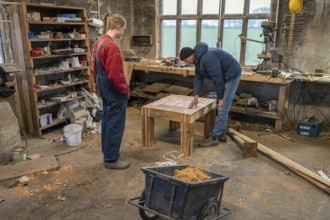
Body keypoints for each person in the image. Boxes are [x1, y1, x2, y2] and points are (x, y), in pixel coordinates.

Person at [180, 42, 242, 147]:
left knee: (222, 107)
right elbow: (198, 79)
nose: (187, 62)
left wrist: (221, 98)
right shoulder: (198, 60)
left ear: (191, 55)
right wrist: (196, 96)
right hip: (223, 76)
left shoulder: (207, 58)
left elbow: (217, 79)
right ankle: (222, 133)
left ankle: (214, 137)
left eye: (186, 60)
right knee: (223, 107)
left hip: (231, 75)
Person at [93, 14, 130, 169]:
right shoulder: (111, 46)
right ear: (118, 27)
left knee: (107, 120)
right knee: (116, 123)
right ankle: (111, 159)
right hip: (114, 89)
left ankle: (108, 151)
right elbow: (115, 74)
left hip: (103, 87)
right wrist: (125, 90)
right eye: (123, 30)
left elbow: (94, 68)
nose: (123, 33)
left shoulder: (99, 43)